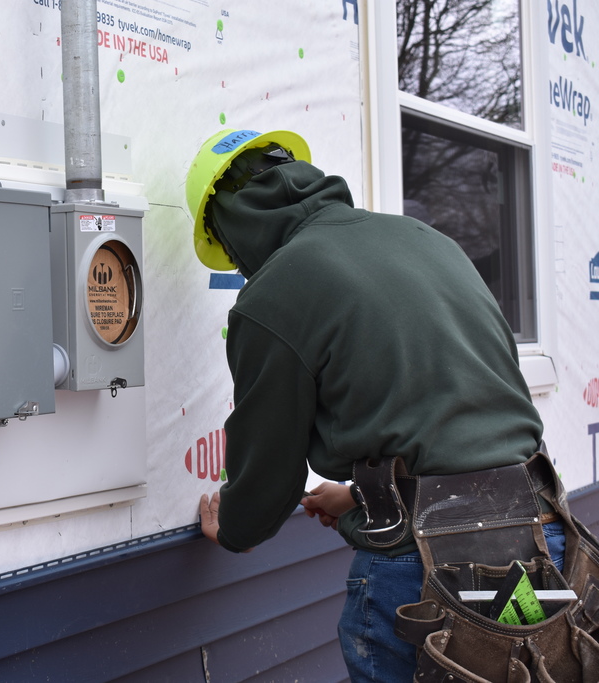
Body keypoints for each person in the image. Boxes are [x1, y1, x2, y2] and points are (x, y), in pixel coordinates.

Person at [184, 129, 570, 681]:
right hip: (534, 542)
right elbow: (461, 401)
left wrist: (236, 528)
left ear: (230, 223)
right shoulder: (423, 238)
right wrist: (363, 495)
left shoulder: (272, 293)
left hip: (426, 572)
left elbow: (269, 467)